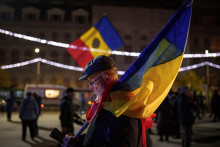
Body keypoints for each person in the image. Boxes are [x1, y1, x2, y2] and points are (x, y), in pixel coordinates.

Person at [63, 55, 143, 147]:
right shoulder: (106, 104)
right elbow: (99, 137)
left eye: (91, 82)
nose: (90, 88)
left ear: (106, 78)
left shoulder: (121, 109)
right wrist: (77, 142)